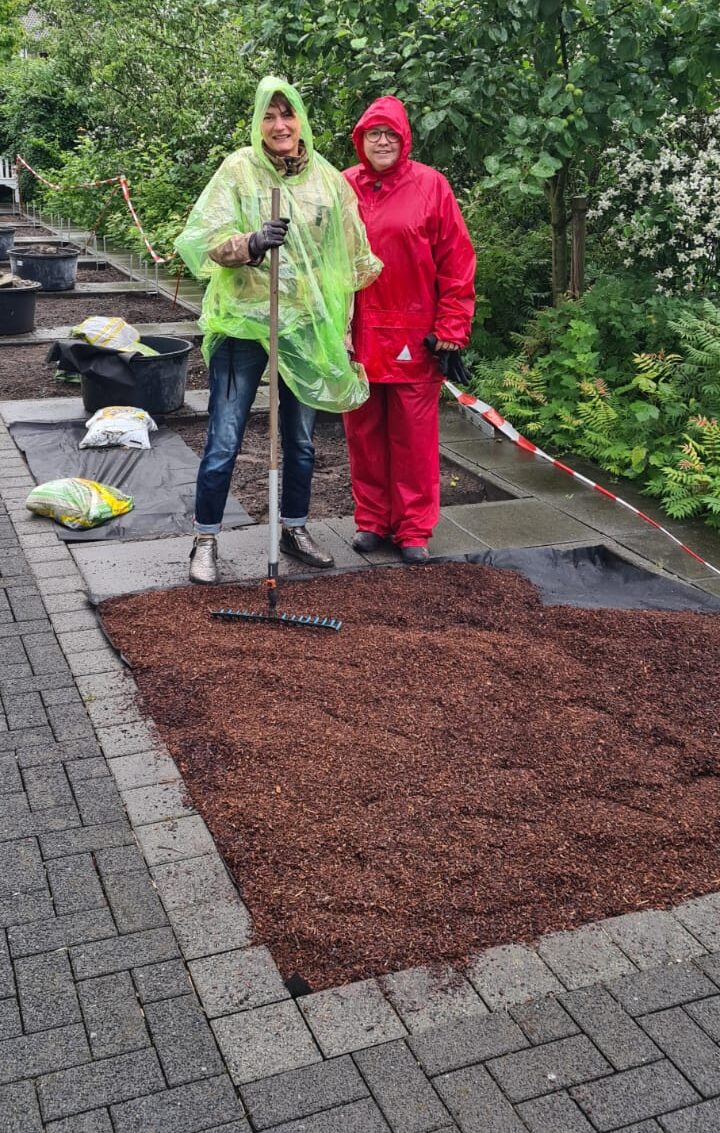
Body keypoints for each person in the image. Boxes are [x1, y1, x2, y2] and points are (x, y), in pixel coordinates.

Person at [175, 76, 381, 583]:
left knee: (302, 440)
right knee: (225, 436)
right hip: (244, 321)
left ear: (301, 120)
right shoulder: (238, 170)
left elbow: (348, 260)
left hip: (305, 324)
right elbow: (205, 241)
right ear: (258, 122)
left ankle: (294, 527)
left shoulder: (329, 181)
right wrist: (250, 242)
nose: (279, 125)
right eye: (269, 116)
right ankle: (205, 539)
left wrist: (343, 330)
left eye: (287, 115)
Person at [342, 95, 476, 563]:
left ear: (405, 140)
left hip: (414, 334)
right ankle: (372, 520)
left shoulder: (430, 186)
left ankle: (414, 528)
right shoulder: (343, 187)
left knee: (413, 438)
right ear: (361, 139)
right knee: (364, 432)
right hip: (356, 333)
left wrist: (452, 327)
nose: (382, 141)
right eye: (373, 133)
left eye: (391, 134)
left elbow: (456, 262)